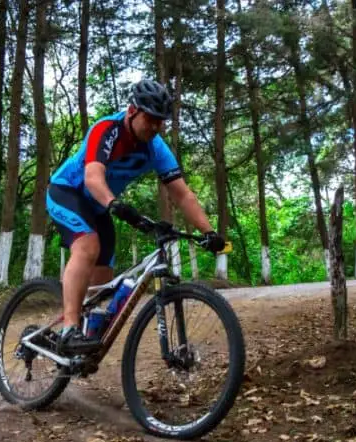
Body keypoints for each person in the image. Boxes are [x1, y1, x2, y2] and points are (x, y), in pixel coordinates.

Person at [46, 78, 226, 355]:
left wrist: (209, 232)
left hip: (99, 206)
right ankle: (70, 329)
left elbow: (182, 194)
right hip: (67, 192)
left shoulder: (156, 148)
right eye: (151, 119)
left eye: (160, 121)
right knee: (87, 246)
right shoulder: (107, 130)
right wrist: (115, 204)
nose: (155, 127)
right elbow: (93, 177)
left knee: (104, 274)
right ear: (133, 111)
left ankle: (85, 337)